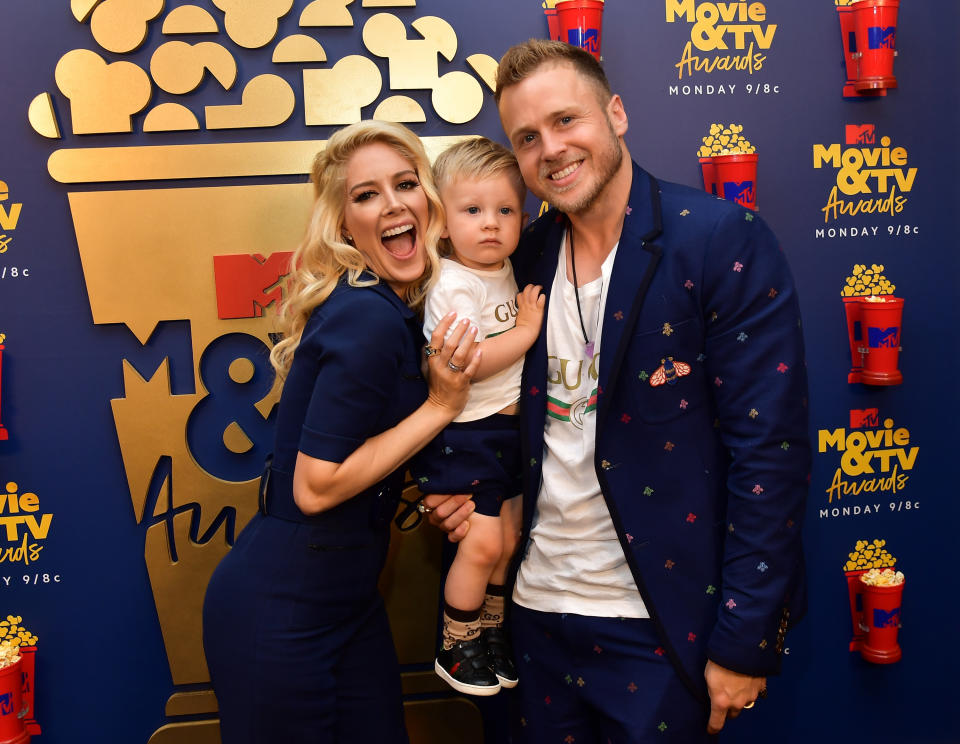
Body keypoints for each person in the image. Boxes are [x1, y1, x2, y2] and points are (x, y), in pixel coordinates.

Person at [422, 39, 810, 743]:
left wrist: (744, 639)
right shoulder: (522, 254)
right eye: (528, 138)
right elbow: (493, 403)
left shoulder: (720, 240)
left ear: (618, 115)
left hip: (664, 626)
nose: (552, 149)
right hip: (533, 620)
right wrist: (456, 486)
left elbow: (771, 454)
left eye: (567, 120)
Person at [202, 120, 482, 744]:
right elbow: (317, 486)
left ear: (428, 203)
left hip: (347, 605)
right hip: (284, 612)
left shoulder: (390, 308)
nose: (391, 205)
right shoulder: (368, 316)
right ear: (343, 224)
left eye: (405, 184)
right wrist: (441, 405)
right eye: (365, 194)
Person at [410, 138, 545, 696]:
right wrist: (526, 333)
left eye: (505, 211)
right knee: (483, 543)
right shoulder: (453, 282)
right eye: (472, 211)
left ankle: (488, 632)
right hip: (469, 434)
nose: (490, 224)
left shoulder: (504, 268)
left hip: (507, 432)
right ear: (442, 221)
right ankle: (455, 642)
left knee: (509, 539)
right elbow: (465, 362)